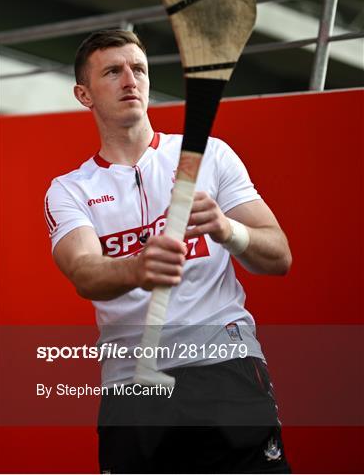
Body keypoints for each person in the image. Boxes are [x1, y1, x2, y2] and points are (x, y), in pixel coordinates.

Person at [44, 28, 293, 474]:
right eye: (113, 72)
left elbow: (279, 255)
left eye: (138, 69)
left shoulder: (209, 155)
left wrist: (226, 228)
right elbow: (84, 271)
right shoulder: (70, 189)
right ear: (84, 94)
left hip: (226, 365)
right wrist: (139, 267)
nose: (130, 81)